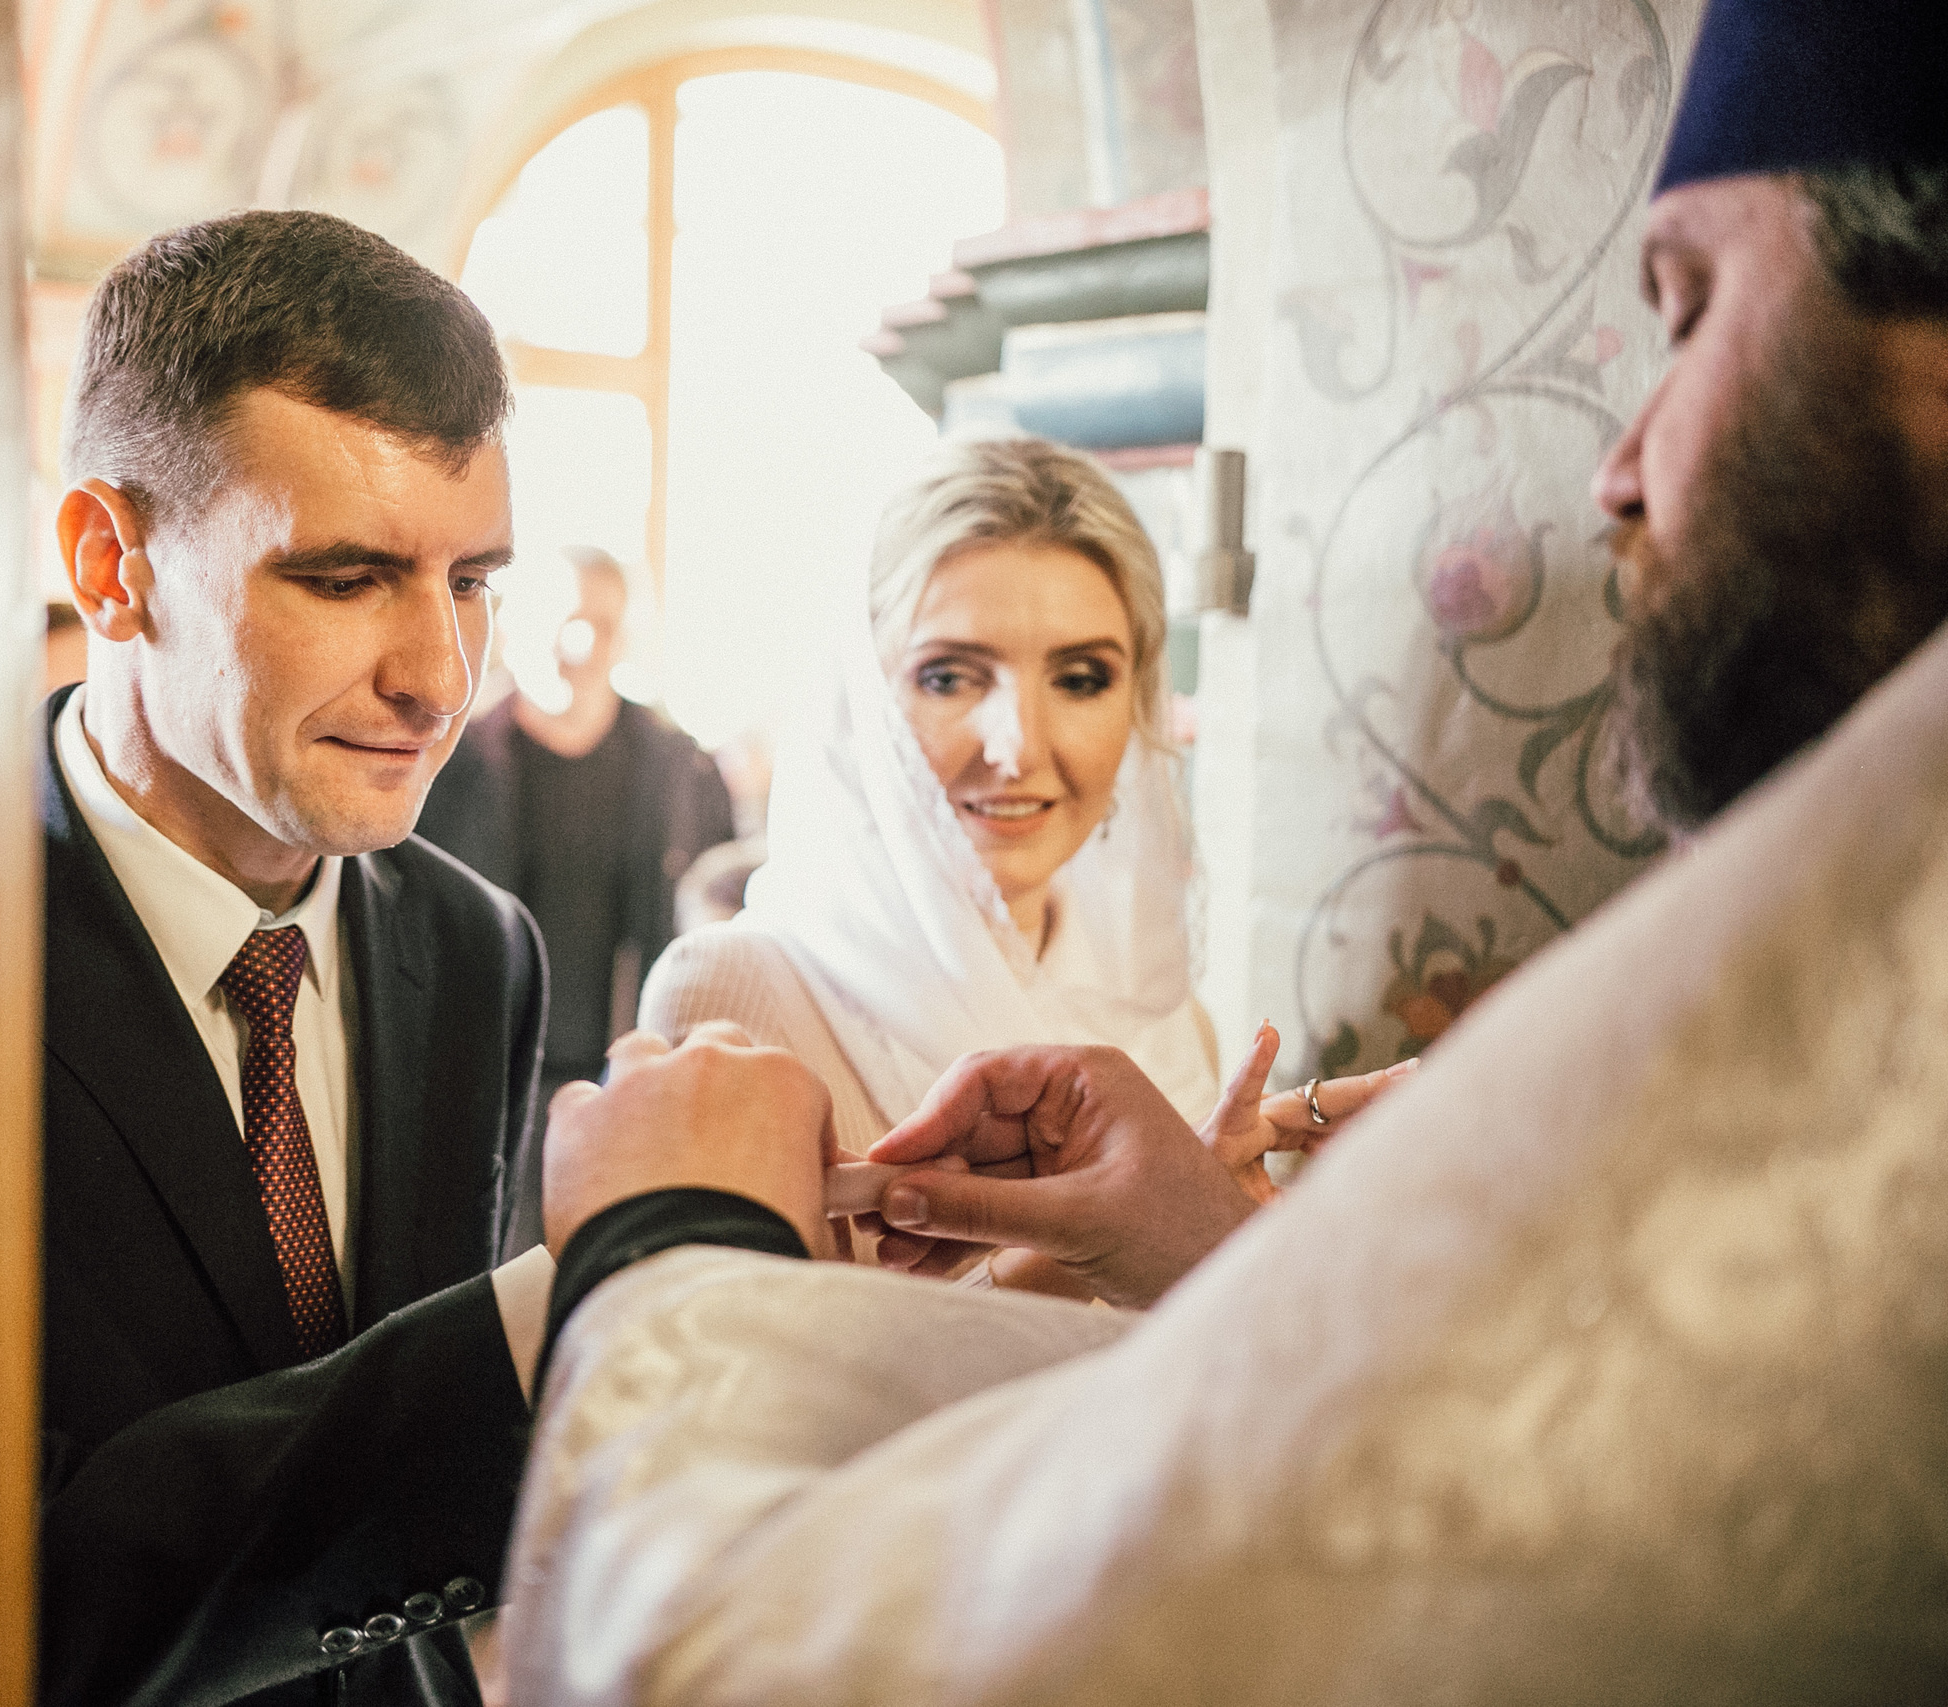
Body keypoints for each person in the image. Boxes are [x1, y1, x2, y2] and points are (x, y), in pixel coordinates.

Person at [503, 0, 1948, 1697]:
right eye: (950, 673)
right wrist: (1225, 1241)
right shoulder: (744, 984)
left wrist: (673, 1245)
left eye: (1693, 305)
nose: (1615, 470)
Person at [36, 211, 551, 1707]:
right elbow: (20, 1590)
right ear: (109, 562)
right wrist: (545, 1320)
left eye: (469, 581)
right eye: (345, 578)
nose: (439, 679)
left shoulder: (477, 951)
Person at [636, 438, 1225, 1288]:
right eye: (950, 677)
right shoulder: (734, 995)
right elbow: (716, 1392)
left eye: (1082, 678)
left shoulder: (1173, 1016)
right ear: (863, 704)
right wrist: (1070, 1268)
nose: (1017, 747)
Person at [416, 548, 733, 1125]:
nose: (582, 646)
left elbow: (720, 930)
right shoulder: (443, 770)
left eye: (603, 626)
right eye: (565, 621)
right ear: (510, 628)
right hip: (475, 1081)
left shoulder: (683, 772)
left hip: (634, 1084)